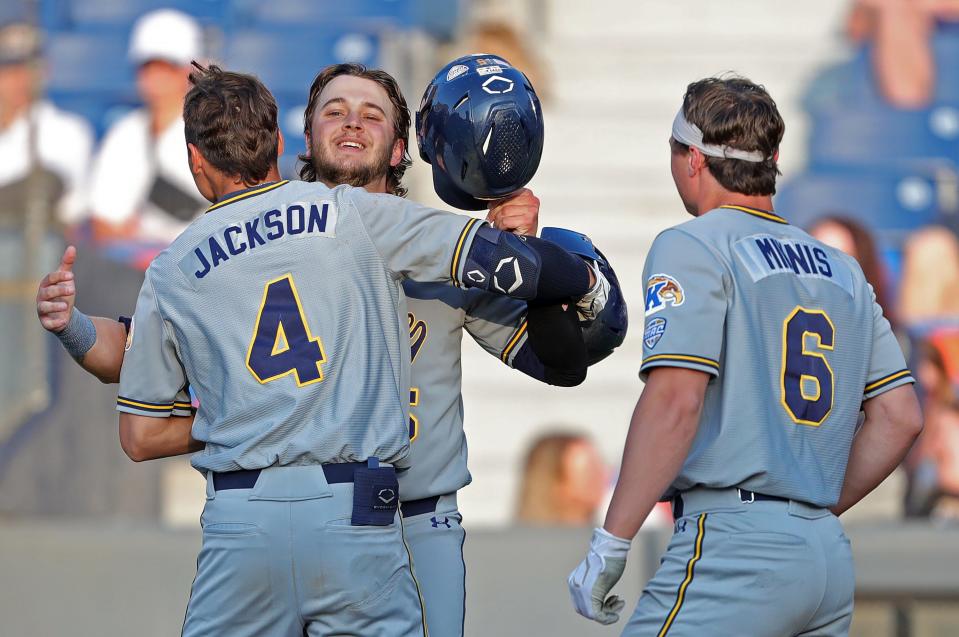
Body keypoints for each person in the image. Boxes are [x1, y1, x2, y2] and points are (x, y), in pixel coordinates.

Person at [37, 57, 623, 637]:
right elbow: (137, 351)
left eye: (372, 115)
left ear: (399, 148)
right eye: (334, 111)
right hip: (335, 513)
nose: (351, 123)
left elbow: (560, 364)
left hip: (416, 518)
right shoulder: (268, 245)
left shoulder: (438, 247)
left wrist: (524, 249)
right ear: (305, 135)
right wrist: (73, 325)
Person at [567, 76, 923, 636]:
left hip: (734, 546)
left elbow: (676, 403)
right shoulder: (843, 268)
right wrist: (810, 511)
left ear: (690, 159)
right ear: (774, 160)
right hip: (825, 559)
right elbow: (901, 417)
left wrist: (613, 539)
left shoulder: (693, 244)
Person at [87, 9, 207, 243]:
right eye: (149, 67)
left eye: (167, 67)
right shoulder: (124, 134)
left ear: (191, 70)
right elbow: (103, 223)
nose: (156, 78)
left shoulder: (219, 128)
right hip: (136, 266)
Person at [0, 21, 92, 228]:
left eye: (28, 69)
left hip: (37, 249)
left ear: (45, 71)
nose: (19, 79)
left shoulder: (67, 131)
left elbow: (48, 189)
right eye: (9, 70)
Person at [515, 431, 609, 525]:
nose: (605, 475)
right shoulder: (526, 537)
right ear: (557, 484)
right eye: (590, 469)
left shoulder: (604, 533)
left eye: (600, 466)